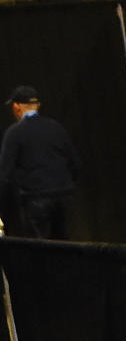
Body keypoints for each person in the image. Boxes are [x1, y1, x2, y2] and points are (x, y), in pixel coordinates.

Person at [0, 86, 81, 239]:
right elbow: (75, 163)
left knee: (40, 252)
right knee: (66, 247)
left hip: (35, 199)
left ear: (16, 107)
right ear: (37, 105)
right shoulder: (56, 128)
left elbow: (5, 175)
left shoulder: (14, 133)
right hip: (64, 198)